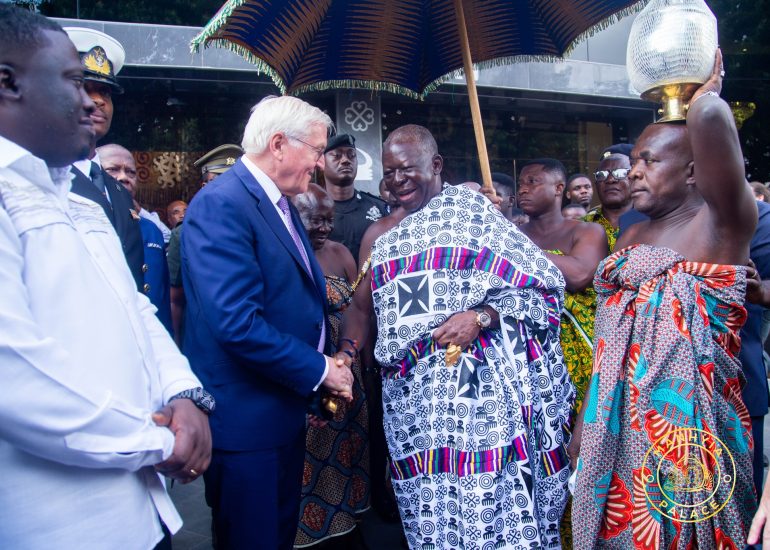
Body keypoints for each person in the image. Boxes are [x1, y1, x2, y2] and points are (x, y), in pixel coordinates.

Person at [0, 7, 212, 548]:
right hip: (61, 525)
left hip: (142, 512)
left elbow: (135, 309)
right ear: (9, 82)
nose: (90, 102)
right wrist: (156, 442)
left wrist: (183, 394)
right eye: (74, 81)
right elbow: (14, 380)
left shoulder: (83, 200)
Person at [340, 124, 574, 549]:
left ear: (436, 165)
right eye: (389, 172)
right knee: (428, 513)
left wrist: (481, 315)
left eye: (407, 169)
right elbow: (361, 308)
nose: (397, 180)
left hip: (479, 400)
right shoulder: (382, 237)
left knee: (490, 502)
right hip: (413, 407)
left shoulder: (473, 214)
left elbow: (542, 285)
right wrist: (345, 357)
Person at [571, 52, 758, 548]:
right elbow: (611, 347)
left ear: (696, 171)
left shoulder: (722, 224)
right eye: (633, 160)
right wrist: (585, 427)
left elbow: (711, 122)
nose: (632, 172)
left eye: (648, 161)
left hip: (694, 435)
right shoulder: (631, 239)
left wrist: (701, 96)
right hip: (619, 428)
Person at [181, 95, 355, 550]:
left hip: (278, 413)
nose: (320, 165)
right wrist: (320, 370)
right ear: (278, 144)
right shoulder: (223, 203)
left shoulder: (275, 201)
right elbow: (236, 322)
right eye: (316, 151)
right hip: (245, 424)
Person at [516, 158, 608, 549]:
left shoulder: (586, 230)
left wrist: (510, 251)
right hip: (523, 363)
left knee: (577, 453)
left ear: (559, 188)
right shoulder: (512, 231)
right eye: (520, 182)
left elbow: (578, 273)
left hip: (577, 362)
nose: (522, 189)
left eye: (533, 181)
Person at [291, 183, 371, 548]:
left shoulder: (341, 253)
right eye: (315, 220)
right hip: (311, 373)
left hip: (347, 368)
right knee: (313, 450)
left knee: (349, 447)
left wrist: (357, 364)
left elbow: (359, 309)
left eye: (328, 220)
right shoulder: (288, 252)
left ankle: (347, 519)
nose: (324, 228)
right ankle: (311, 529)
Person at [64, 27, 145, 290]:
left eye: (106, 92)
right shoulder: (44, 177)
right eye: (85, 88)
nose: (98, 101)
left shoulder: (118, 192)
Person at [166, 144, 242, 348]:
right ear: (203, 186)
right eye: (216, 182)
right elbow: (175, 299)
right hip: (203, 339)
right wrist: (176, 347)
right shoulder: (184, 233)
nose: (226, 190)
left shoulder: (257, 226)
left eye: (233, 183)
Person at [99, 143, 173, 334]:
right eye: (113, 170)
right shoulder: (89, 226)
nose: (124, 177)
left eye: (130, 172)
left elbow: (163, 297)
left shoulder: (151, 229)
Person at [324, 133, 388, 261]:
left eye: (351, 155)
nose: (345, 160)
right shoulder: (312, 210)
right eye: (337, 155)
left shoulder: (378, 208)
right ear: (321, 162)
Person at [583, 144, 634, 252]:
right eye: (602, 174)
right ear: (596, 183)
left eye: (620, 173)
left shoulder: (653, 221)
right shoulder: (581, 225)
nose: (610, 180)